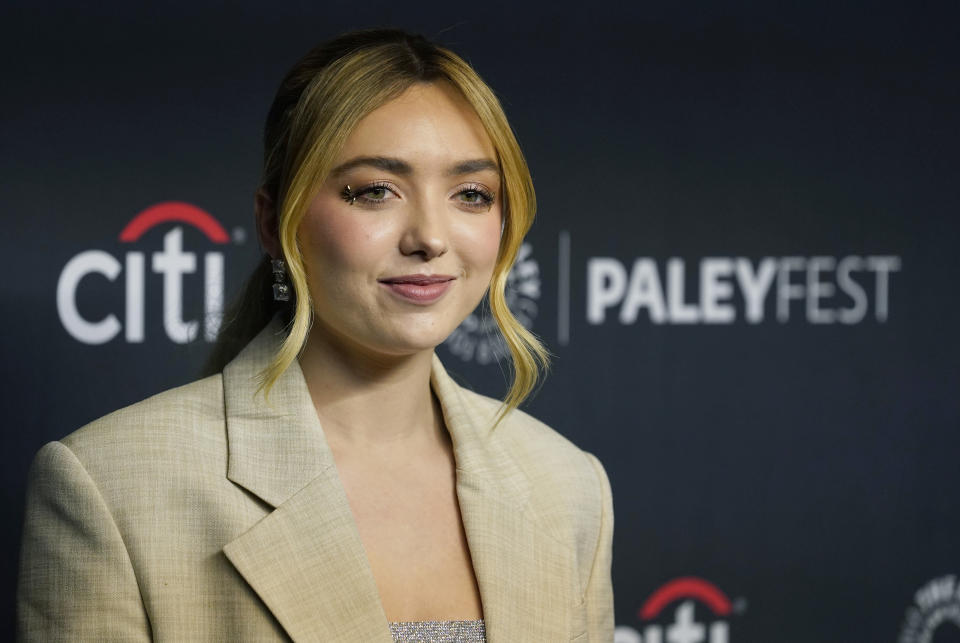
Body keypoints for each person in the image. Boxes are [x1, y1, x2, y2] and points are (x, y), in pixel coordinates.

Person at [17, 28, 614, 642]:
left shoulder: (567, 486)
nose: (431, 237)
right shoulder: (112, 485)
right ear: (277, 222)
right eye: (375, 191)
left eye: (471, 194)